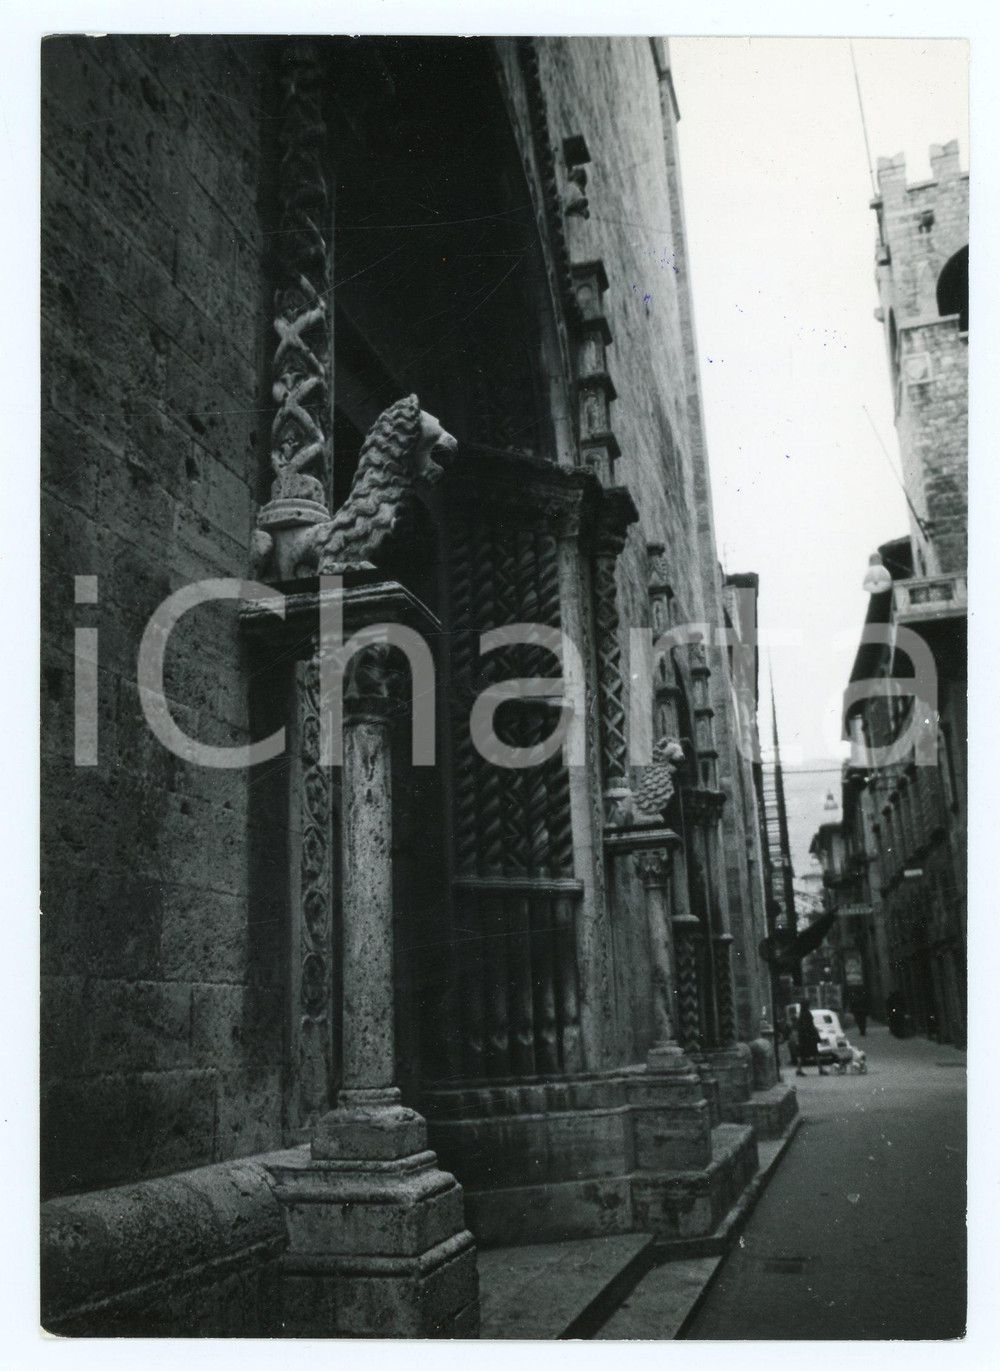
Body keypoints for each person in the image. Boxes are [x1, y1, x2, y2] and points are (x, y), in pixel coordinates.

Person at [795, 1000, 827, 1077]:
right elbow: (809, 1026)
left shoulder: (801, 1014)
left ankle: (799, 1070)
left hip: (803, 1038)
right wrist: (815, 1033)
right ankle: (821, 1069)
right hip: (809, 1038)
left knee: (802, 1054)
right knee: (815, 1053)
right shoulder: (807, 1014)